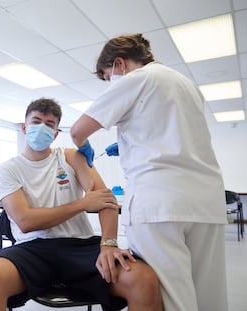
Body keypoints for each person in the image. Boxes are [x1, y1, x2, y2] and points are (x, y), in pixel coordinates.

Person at [70, 33, 228, 311]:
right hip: (206, 201)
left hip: (160, 203)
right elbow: (169, 131)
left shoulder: (136, 78)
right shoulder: (186, 83)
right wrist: (129, 140)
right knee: (209, 295)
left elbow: (77, 131)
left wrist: (84, 146)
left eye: (108, 77)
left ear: (119, 64)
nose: (111, 83)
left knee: (173, 298)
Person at [0, 98, 163, 311]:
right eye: (36, 122)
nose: (41, 128)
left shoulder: (70, 157)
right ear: (24, 128)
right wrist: (81, 204)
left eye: (49, 124)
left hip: (80, 245)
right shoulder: (8, 169)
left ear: (55, 134)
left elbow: (106, 201)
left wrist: (108, 244)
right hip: (32, 248)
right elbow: (25, 221)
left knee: (143, 278)